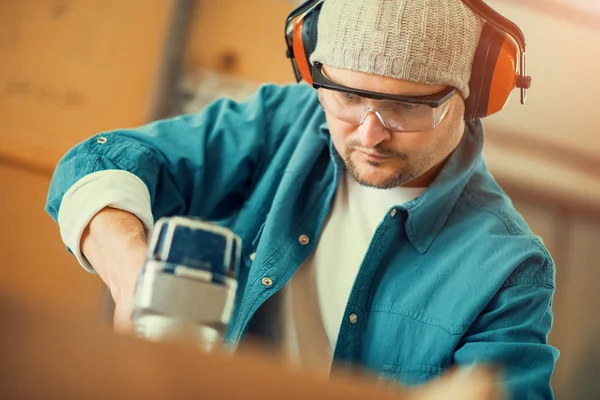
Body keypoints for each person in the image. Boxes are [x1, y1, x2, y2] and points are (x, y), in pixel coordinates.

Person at [45, 0, 558, 398]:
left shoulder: (509, 269)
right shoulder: (284, 121)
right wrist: (131, 272)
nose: (370, 135)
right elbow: (98, 165)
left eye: (406, 108)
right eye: (348, 97)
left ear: (476, 94)